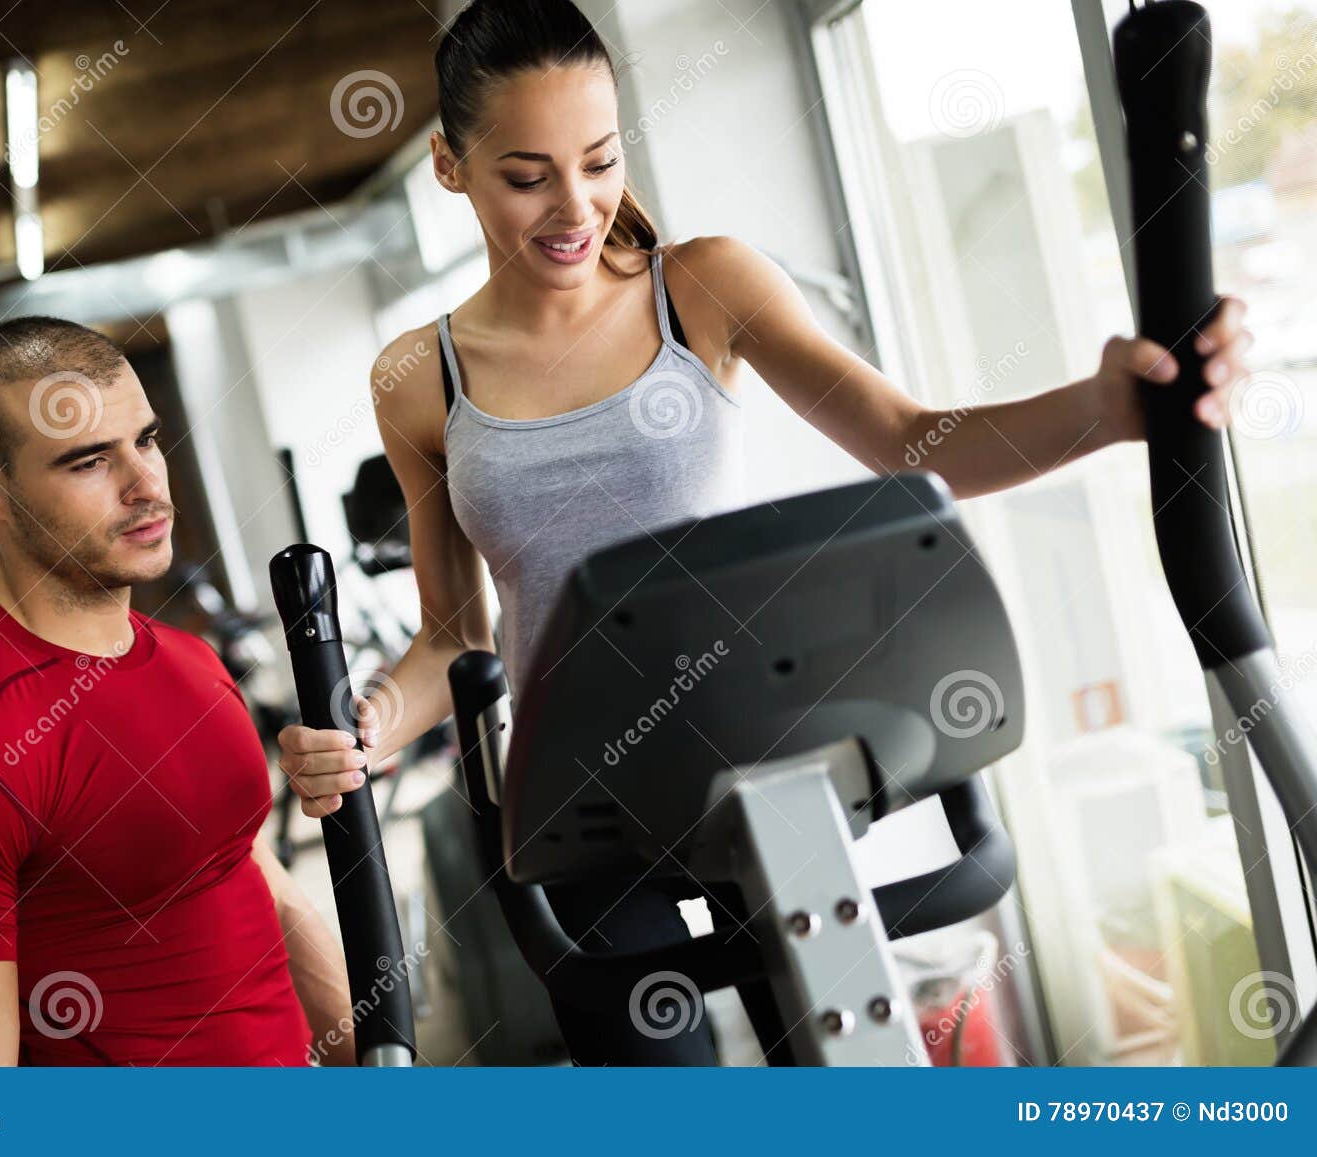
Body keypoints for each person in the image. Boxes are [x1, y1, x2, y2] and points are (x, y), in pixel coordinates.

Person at [274, 0, 1256, 1064]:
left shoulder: (700, 285)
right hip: (580, 794)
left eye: (598, 161)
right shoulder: (418, 376)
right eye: (527, 175)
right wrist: (367, 725)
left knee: (845, 1067)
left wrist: (1105, 410)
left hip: (762, 752)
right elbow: (455, 637)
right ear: (450, 166)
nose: (576, 206)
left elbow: (908, 438)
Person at [0, 317, 352, 1066]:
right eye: (87, 463)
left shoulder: (191, 661)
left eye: (145, 439)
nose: (146, 485)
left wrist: (378, 1060)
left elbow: (251, 876)